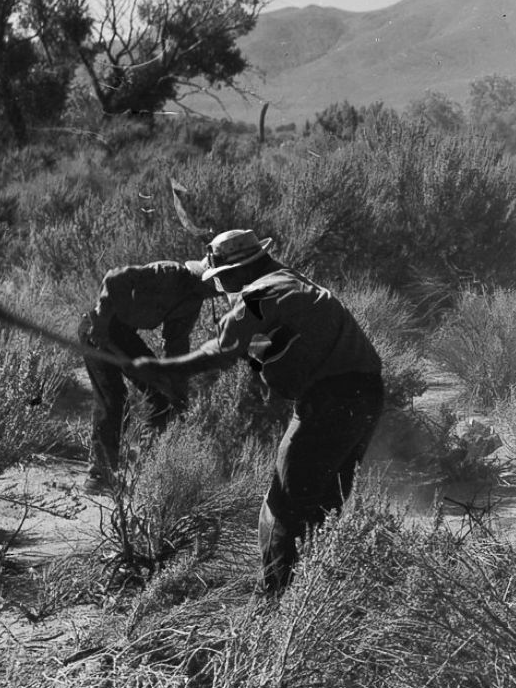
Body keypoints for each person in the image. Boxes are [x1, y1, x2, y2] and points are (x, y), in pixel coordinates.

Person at [128, 229, 385, 594]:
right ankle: (322, 591)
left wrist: (165, 369)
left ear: (236, 269)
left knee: (282, 506)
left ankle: (276, 602)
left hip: (329, 400)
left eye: (221, 279)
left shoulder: (258, 295)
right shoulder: (292, 281)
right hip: (366, 395)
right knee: (325, 501)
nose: (221, 287)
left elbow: (222, 350)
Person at [79, 257, 222, 488]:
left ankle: (146, 471)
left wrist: (176, 386)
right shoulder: (169, 273)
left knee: (162, 397)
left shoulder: (193, 301)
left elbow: (177, 344)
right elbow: (114, 277)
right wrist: (102, 322)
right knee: (112, 398)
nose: (216, 294)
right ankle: (99, 473)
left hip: (124, 336)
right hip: (97, 330)